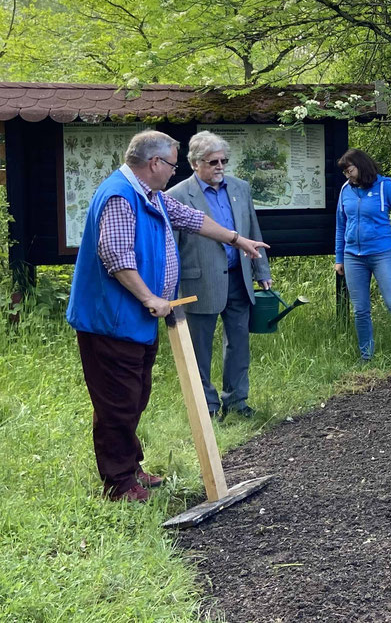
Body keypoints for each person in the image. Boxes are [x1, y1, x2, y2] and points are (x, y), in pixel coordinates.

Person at [66, 130, 269, 502]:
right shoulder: (119, 196)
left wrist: (237, 240)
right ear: (154, 163)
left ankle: (130, 465)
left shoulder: (152, 196)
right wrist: (150, 297)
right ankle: (119, 483)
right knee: (118, 401)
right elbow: (116, 257)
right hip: (110, 320)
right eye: (173, 165)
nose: (174, 174)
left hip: (134, 319)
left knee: (136, 394)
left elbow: (191, 218)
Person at [169, 131, 271, 420]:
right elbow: (171, 247)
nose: (220, 166)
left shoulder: (240, 188)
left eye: (224, 160)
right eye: (213, 161)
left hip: (239, 277)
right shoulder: (177, 196)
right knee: (200, 348)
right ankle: (208, 407)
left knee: (238, 343)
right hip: (198, 281)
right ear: (195, 163)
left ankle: (237, 401)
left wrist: (261, 269)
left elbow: (252, 231)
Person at [333, 149, 391, 360]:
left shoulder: (385, 187)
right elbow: (341, 225)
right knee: (361, 310)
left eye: (350, 170)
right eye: (344, 172)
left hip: (382, 255)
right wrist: (339, 258)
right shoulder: (345, 190)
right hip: (353, 256)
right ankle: (366, 357)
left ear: (361, 166)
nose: (347, 175)